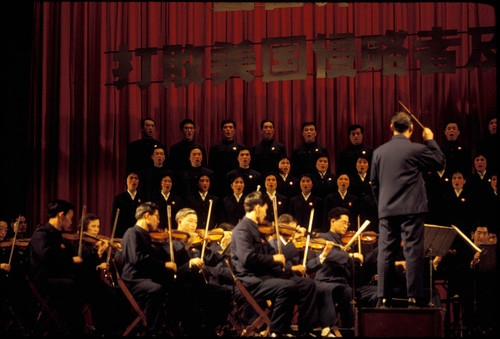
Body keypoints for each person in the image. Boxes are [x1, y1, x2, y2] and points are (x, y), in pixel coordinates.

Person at [370, 111, 445, 307]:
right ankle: (413, 296)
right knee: (413, 251)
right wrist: (430, 140)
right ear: (412, 128)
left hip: (387, 209)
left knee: (385, 252)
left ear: (391, 127)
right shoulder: (416, 149)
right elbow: (440, 162)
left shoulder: (378, 152)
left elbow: (374, 183)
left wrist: (382, 205)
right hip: (412, 208)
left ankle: (383, 297)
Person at [230, 191, 318, 336]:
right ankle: (277, 331)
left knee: (307, 284)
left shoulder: (256, 229)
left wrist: (288, 267)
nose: (266, 214)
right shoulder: (242, 229)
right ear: (258, 208)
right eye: (265, 209)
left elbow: (270, 253)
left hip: (265, 276)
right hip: (252, 280)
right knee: (287, 286)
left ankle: (305, 331)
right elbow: (247, 258)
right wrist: (274, 259)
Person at [25, 200, 88, 334]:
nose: (71, 222)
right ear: (61, 215)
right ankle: (75, 329)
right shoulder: (41, 234)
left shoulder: (57, 236)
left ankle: (77, 327)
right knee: (76, 285)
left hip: (56, 278)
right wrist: (70, 260)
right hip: (43, 281)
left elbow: (71, 250)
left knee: (86, 281)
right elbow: (47, 256)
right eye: (70, 218)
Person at [120, 202, 177, 335]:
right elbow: (137, 259)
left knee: (176, 286)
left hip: (145, 278)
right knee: (155, 289)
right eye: (156, 216)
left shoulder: (145, 234)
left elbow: (152, 258)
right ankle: (152, 330)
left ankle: (170, 326)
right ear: (146, 216)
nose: (159, 220)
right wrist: (164, 265)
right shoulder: (132, 232)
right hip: (134, 280)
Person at [315, 207, 375, 332]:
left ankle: (362, 327)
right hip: (326, 281)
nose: (346, 226)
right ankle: (337, 328)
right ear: (332, 221)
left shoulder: (345, 242)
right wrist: (350, 256)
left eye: (348, 223)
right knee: (345, 291)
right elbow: (329, 255)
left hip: (344, 282)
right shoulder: (323, 237)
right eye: (344, 222)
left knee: (373, 291)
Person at [208, 119, 246, 197]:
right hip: (219, 182)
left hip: (236, 182)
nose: (228, 129)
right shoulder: (215, 148)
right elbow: (211, 167)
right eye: (225, 127)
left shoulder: (241, 148)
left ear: (234, 130)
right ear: (222, 130)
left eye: (230, 127)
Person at [111, 172, 144, 238]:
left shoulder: (143, 199)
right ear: (126, 181)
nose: (134, 180)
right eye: (131, 178)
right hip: (123, 234)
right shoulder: (119, 198)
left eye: (136, 178)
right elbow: (114, 219)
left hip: (139, 234)